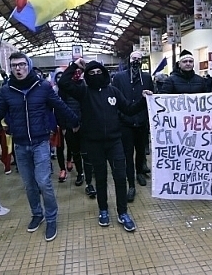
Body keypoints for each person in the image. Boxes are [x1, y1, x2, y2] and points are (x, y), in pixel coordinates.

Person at [0, 52, 79, 242]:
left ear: (28, 65)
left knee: (44, 182)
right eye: (14, 66)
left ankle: (51, 218)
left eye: (21, 65)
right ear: (11, 68)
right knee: (29, 184)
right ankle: (37, 214)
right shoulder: (6, 90)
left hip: (40, 143)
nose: (18, 69)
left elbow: (60, 106)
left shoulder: (43, 86)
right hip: (20, 144)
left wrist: (75, 121)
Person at [59, 59, 152, 232]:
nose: (96, 75)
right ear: (87, 75)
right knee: (100, 178)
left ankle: (122, 212)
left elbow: (129, 109)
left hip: (115, 142)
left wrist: (143, 100)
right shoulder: (83, 92)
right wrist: (75, 66)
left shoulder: (113, 92)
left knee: (119, 177)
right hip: (93, 144)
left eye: (98, 72)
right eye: (91, 73)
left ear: (105, 73)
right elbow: (63, 83)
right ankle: (103, 210)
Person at [112, 51, 154, 202]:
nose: (136, 61)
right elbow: (114, 98)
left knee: (141, 151)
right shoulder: (119, 78)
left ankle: (140, 173)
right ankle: (131, 185)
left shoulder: (147, 78)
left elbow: (153, 98)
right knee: (127, 154)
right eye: (133, 58)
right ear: (129, 60)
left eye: (139, 59)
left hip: (142, 121)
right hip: (125, 123)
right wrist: (119, 116)